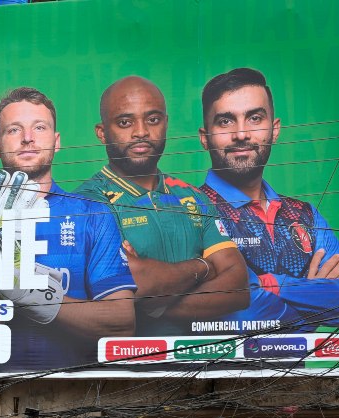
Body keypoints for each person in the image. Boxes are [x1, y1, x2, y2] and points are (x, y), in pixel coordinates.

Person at [0, 87, 137, 371]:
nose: (27, 138)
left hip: (75, 394)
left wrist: (37, 296)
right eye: (14, 130)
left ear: (56, 141)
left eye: (39, 127)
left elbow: (121, 323)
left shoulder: (92, 215)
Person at [197, 68, 339, 331]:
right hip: (217, 369)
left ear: (274, 129)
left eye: (255, 118)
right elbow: (243, 318)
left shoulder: (305, 215)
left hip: (304, 372)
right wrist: (317, 300)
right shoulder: (189, 210)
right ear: (204, 137)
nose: (241, 133)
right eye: (225, 121)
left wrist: (267, 285)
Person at [76, 76, 248, 336]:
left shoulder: (192, 197)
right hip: (127, 367)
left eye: (153, 119)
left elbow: (237, 287)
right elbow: (138, 282)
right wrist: (203, 267)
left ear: (166, 123)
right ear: (102, 132)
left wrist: (154, 304)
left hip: (201, 364)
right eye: (125, 122)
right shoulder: (87, 203)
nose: (141, 132)